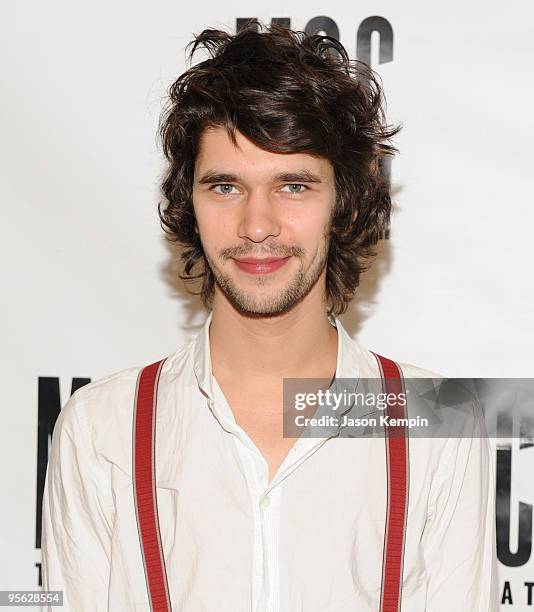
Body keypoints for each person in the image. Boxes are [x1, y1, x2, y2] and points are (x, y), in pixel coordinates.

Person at [41, 21, 497, 611]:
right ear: (190, 203)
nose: (258, 225)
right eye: (226, 187)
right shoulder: (100, 429)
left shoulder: (441, 423)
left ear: (345, 202)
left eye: (294, 186)